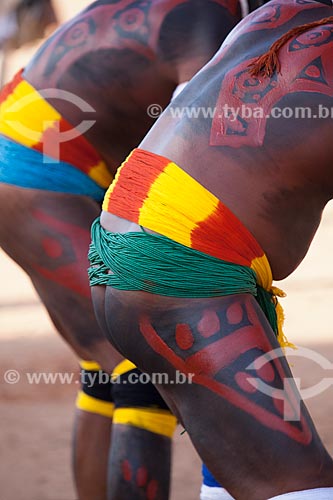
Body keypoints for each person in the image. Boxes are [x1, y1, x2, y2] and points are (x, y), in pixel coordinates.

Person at [89, 0, 333, 498]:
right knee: (300, 484)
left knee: (238, 466)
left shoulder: (283, 14)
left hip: (128, 235)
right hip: (177, 267)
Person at [0, 1, 243, 498]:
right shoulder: (209, 20)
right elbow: (197, 150)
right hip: (34, 168)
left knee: (105, 367)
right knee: (143, 366)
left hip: (40, 156)